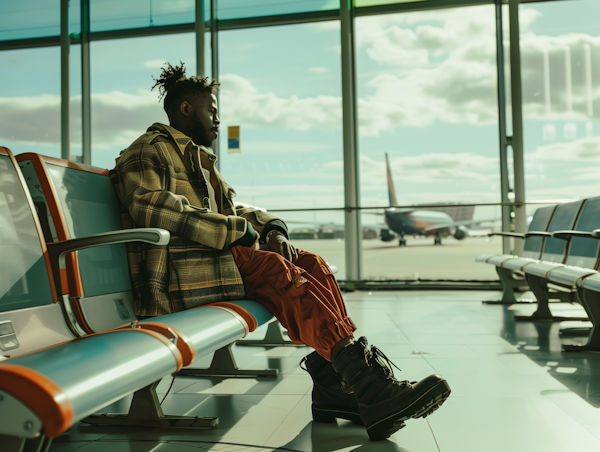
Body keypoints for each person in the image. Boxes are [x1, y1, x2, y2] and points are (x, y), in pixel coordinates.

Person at [110, 62, 451, 441]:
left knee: (310, 263)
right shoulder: (148, 150)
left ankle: (335, 388)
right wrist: (234, 231)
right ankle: (368, 388)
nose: (219, 120)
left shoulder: (198, 160)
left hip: (216, 263)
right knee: (277, 272)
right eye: (213, 110)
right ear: (186, 109)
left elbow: (234, 211)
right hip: (183, 273)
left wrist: (271, 226)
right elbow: (150, 205)